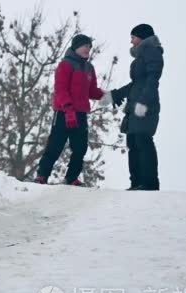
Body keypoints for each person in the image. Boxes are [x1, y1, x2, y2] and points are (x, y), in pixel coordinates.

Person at [35, 34, 111, 185]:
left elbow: (91, 91)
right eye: (85, 46)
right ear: (76, 46)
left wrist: (107, 95)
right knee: (55, 146)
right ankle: (41, 176)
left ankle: (71, 177)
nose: (88, 49)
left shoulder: (89, 68)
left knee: (80, 148)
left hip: (81, 114)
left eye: (89, 47)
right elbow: (60, 89)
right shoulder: (65, 65)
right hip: (63, 112)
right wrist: (68, 110)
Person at [110, 24, 164, 191]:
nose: (131, 40)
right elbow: (136, 83)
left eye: (133, 37)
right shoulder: (140, 57)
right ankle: (136, 182)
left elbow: (152, 81)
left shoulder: (151, 51)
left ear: (142, 37)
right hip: (134, 106)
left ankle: (149, 183)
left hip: (145, 106)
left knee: (143, 141)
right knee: (133, 142)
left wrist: (143, 102)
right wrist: (117, 94)